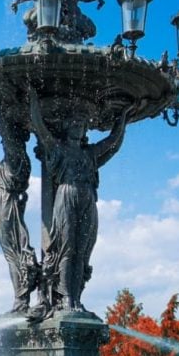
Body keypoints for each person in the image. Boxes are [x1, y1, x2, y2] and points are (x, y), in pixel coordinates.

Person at [29, 90, 131, 313]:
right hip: (66, 195)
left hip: (87, 198)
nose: (78, 126)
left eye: (82, 124)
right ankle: (65, 298)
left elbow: (114, 142)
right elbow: (40, 129)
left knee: (82, 252)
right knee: (67, 249)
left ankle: (76, 298)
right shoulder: (58, 148)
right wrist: (34, 102)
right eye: (74, 123)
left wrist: (123, 117)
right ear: (66, 126)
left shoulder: (90, 153)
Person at [0, 94, 39, 314]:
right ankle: (22, 298)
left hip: (5, 203)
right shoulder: (20, 159)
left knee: (13, 254)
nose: (3, 140)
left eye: (6, 137)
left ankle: (21, 301)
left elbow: (3, 127)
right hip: (6, 203)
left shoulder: (17, 154)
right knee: (14, 253)